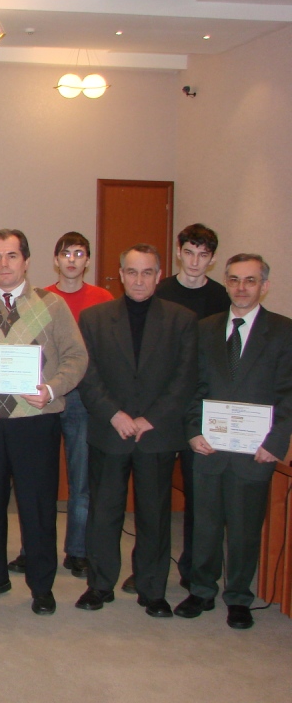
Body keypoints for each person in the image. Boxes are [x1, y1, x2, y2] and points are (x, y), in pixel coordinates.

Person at [0, 229, 87, 616]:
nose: (4, 264)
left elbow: (76, 357)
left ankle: (42, 585)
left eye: (11, 255)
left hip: (35, 420)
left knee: (38, 505)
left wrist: (52, 389)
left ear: (26, 261)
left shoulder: (52, 305)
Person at [76, 244, 197, 617]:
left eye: (147, 272)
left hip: (156, 434)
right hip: (110, 430)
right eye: (132, 272)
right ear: (120, 274)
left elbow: (185, 378)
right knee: (104, 513)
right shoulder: (94, 318)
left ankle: (152, 589)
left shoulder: (181, 319)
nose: (139, 280)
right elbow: (87, 374)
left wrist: (150, 418)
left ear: (159, 275)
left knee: (154, 516)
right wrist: (114, 414)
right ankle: (99, 585)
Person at [176, 254, 292, 630]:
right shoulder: (205, 328)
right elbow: (191, 385)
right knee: (205, 524)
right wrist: (192, 430)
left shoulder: (284, 331)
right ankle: (201, 590)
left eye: (250, 280)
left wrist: (276, 441)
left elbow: (288, 393)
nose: (241, 288)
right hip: (208, 445)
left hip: (255, 450)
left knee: (244, 528)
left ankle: (239, 596)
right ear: (225, 282)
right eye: (234, 280)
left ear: (264, 286)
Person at [7, 232, 113, 578]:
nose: (72, 260)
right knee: (37, 480)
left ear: (87, 260)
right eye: (66, 254)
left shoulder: (103, 299)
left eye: (79, 254)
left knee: (80, 479)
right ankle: (32, 549)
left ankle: (77, 550)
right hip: (40, 397)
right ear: (55, 260)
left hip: (83, 397)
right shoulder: (40, 298)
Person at [153, 223, 230, 594]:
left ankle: (193, 570)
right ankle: (150, 568)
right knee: (156, 496)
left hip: (202, 409)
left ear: (211, 259)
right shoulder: (161, 291)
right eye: (189, 253)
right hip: (164, 406)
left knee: (200, 498)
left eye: (203, 255)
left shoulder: (221, 297)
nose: (195, 262)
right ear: (178, 252)